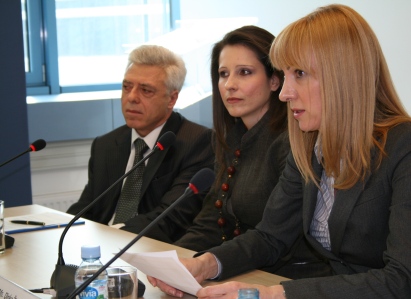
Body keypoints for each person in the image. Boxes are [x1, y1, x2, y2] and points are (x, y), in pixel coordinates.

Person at [148, 4, 411, 298]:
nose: (285, 93)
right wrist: (205, 265)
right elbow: (270, 236)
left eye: (299, 73)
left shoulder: (404, 147)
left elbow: (402, 279)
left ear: (343, 76)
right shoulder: (311, 145)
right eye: (285, 76)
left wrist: (276, 294)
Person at [67, 45, 214, 243]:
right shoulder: (106, 144)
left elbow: (171, 217)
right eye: (127, 87)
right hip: (100, 248)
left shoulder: (197, 142)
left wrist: (113, 236)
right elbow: (88, 207)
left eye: (146, 90)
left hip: (153, 251)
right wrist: (62, 229)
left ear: (172, 99)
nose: (132, 97)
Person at [173, 25, 289, 252]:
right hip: (238, 267)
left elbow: (274, 236)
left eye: (244, 72)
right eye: (223, 74)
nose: (230, 85)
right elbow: (210, 223)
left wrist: (208, 263)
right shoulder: (228, 140)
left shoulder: (288, 143)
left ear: (274, 80)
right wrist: (173, 261)